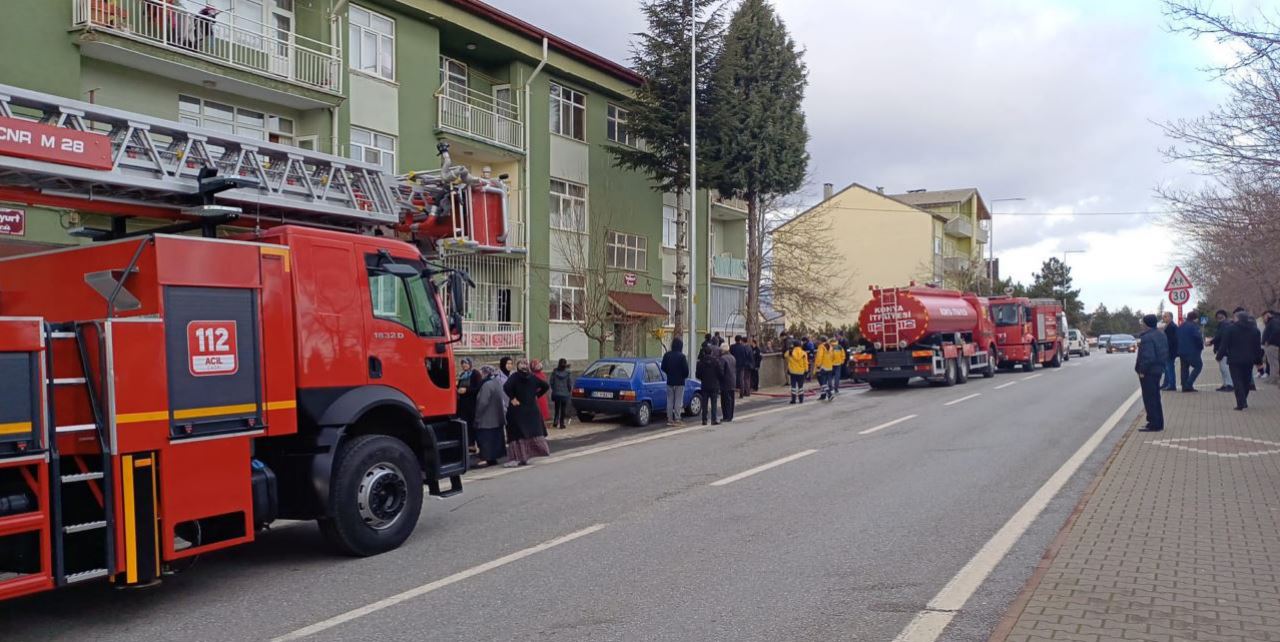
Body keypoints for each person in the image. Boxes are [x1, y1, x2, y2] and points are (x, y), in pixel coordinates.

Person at [502, 360, 550, 466]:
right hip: (531, 410)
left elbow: (506, 387)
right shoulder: (532, 377)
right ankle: (528, 456)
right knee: (530, 433)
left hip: (518, 410)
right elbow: (545, 386)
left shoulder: (514, 377)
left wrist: (513, 398)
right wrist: (537, 395)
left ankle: (517, 458)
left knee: (517, 434)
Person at [1224, 310, 1265, 411]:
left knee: (1237, 381)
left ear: (1237, 318)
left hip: (1234, 360)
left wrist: (1219, 355)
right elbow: (1257, 347)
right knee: (1246, 381)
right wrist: (1259, 362)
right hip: (1249, 359)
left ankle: (1241, 402)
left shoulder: (1231, 329)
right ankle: (1243, 400)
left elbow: (1225, 344)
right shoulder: (1255, 330)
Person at [1135, 314, 1169, 432]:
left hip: (1149, 371)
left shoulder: (1147, 338)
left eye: (1143, 323)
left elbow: (1148, 357)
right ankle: (1158, 422)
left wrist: (1142, 371)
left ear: (1146, 324)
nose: (1141, 325)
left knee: (1149, 398)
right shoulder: (1161, 334)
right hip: (1158, 369)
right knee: (1155, 397)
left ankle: (1153, 423)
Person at [471, 366, 508, 467]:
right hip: (497, 418)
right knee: (495, 439)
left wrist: (477, 417)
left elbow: (482, 403)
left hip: (487, 419)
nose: (481, 375)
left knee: (486, 439)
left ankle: (487, 458)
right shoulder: (497, 382)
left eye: (482, 373)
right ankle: (493, 458)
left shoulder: (486, 385)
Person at [661, 337, 690, 427]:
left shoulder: (667, 355)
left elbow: (663, 367)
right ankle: (677, 418)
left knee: (669, 400)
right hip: (680, 382)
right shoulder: (682, 356)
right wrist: (683, 376)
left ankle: (669, 419)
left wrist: (669, 373)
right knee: (678, 400)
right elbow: (686, 370)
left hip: (670, 381)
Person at [455, 358, 483, 451]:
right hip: (463, 404)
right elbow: (459, 386)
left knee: (473, 424)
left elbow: (478, 387)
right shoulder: (462, 375)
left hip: (473, 403)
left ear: (470, 364)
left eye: (466, 363)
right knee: (466, 424)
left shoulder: (475, 374)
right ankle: (470, 444)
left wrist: (467, 390)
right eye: (462, 364)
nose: (464, 365)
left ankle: (477, 445)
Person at [1176, 310, 1204, 392]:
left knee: (1184, 368)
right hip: (1192, 351)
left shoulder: (1181, 326)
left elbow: (1176, 337)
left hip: (1181, 351)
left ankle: (1184, 386)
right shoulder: (1194, 326)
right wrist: (1201, 347)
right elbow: (1198, 338)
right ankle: (1189, 383)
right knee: (1198, 366)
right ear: (1195, 319)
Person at [695, 346, 722, 425]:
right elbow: (720, 373)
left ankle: (704, 420)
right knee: (714, 403)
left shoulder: (700, 362)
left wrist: (703, 378)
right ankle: (713, 419)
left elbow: (697, 375)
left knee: (704, 403)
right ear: (711, 352)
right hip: (714, 385)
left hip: (705, 384)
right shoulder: (716, 361)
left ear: (704, 352)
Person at [1211, 309, 1234, 392]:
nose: (1219, 318)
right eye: (1218, 317)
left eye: (1220, 316)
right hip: (1223, 349)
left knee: (1225, 368)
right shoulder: (1224, 324)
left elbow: (1219, 336)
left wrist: (1211, 342)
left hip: (1224, 350)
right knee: (1223, 368)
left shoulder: (1224, 325)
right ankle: (1225, 384)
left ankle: (1229, 384)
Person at [549, 358, 572, 430]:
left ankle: (555, 422)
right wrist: (568, 390)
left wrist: (554, 389)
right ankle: (562, 424)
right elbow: (569, 384)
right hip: (564, 393)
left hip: (556, 393)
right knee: (563, 409)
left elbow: (551, 382)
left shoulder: (554, 372)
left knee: (557, 408)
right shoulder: (567, 373)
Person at [1160, 312, 1179, 391]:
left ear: (1170, 317)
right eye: (1163, 317)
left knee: (1169, 368)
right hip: (1168, 351)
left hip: (1170, 351)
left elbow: (1171, 341)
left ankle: (1172, 385)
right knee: (1167, 368)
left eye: (1165, 317)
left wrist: (1166, 349)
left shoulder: (1172, 327)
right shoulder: (1167, 326)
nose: (1164, 318)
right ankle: (1166, 383)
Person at [718, 343, 737, 422]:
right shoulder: (733, 357)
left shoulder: (723, 358)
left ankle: (726, 416)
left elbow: (721, 371)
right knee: (731, 399)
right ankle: (730, 415)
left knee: (725, 400)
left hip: (725, 382)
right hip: (732, 380)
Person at [531, 359, 551, 423]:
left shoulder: (540, 374)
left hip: (540, 394)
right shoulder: (534, 375)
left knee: (542, 408)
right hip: (538, 394)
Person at [815, 335, 835, 401]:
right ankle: (823, 395)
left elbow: (819, 356)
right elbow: (833, 357)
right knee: (826, 381)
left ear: (821, 340)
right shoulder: (831, 347)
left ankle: (829, 394)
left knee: (823, 383)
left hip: (823, 366)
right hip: (829, 366)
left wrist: (818, 365)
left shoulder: (821, 347)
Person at [1264, 310, 1280, 388]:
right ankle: (1272, 378)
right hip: (1272, 344)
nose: (1264, 318)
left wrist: (1269, 341)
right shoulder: (1273, 322)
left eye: (1265, 316)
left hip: (1272, 345)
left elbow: (1276, 331)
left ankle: (1274, 378)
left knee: (1273, 362)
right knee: (1271, 362)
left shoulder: (1274, 322)